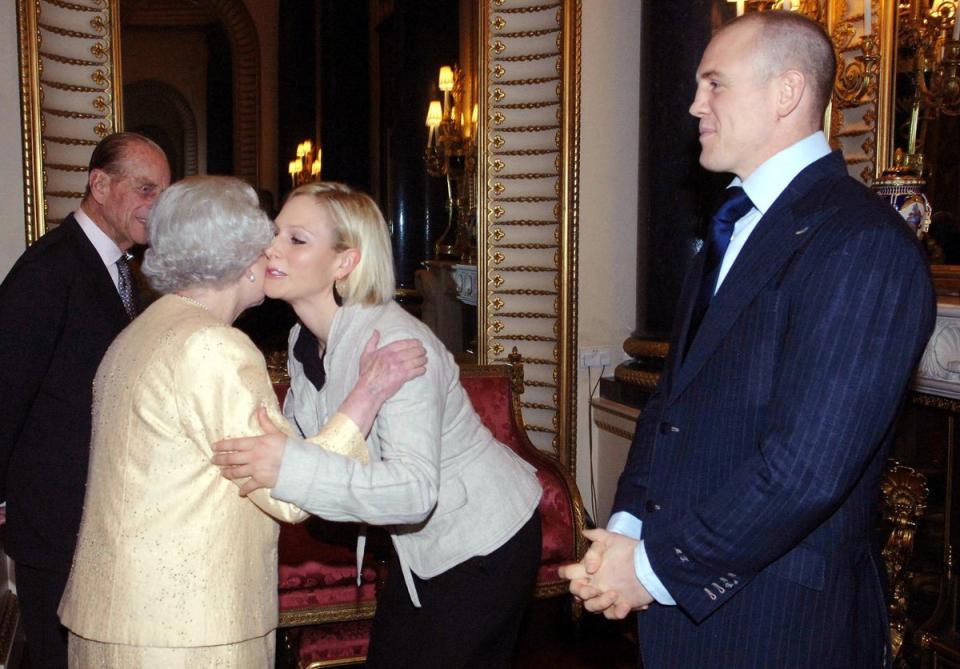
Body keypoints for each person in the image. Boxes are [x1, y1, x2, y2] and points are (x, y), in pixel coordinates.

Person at [560, 11, 936, 668]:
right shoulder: (736, 224)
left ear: (786, 92)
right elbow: (671, 407)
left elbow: (806, 469)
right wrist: (627, 527)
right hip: (690, 611)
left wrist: (651, 568)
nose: (694, 104)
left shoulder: (863, 245)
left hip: (776, 624)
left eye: (715, 84)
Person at [57, 176, 426, 666]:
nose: (272, 257)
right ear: (240, 260)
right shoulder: (213, 347)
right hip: (187, 633)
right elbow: (287, 491)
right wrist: (367, 393)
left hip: (118, 621)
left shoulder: (144, 330)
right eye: (264, 245)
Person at [211, 181, 543, 668]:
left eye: (297, 240)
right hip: (418, 551)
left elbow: (413, 492)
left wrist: (289, 466)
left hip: (484, 542)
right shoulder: (305, 339)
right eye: (274, 232)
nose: (271, 249)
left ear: (345, 263)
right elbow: (326, 444)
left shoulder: (398, 345)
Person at [0, 132, 170, 668]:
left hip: (97, 524)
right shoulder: (49, 271)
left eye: (164, 194)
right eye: (146, 190)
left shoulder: (120, 270)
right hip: (56, 529)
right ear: (99, 183)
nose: (156, 208)